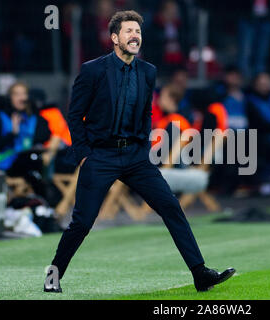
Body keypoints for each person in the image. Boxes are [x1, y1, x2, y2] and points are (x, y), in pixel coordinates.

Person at [44, 10, 235, 293]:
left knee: (171, 207)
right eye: (129, 31)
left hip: (135, 157)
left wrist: (143, 146)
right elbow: (74, 116)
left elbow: (146, 112)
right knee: (82, 223)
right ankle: (53, 275)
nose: (135, 36)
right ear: (114, 38)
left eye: (138, 32)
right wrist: (84, 155)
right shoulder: (92, 70)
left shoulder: (148, 72)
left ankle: (200, 273)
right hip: (100, 156)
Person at [0, 82, 52, 199]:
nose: (21, 98)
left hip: (26, 161)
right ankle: (42, 201)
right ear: (9, 97)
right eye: (17, 94)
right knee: (33, 162)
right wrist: (13, 133)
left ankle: (39, 202)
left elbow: (45, 134)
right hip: (5, 162)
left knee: (37, 158)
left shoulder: (30, 117)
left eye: (24, 94)